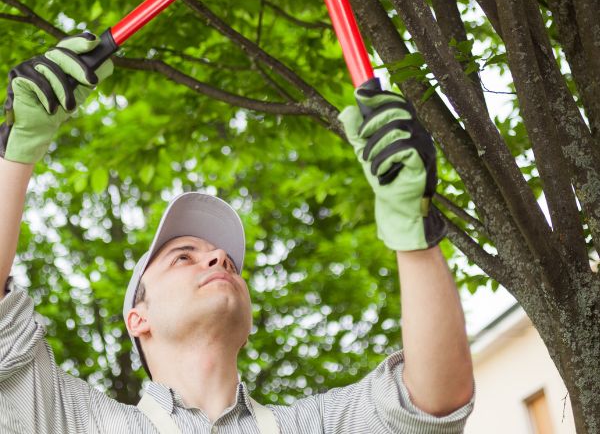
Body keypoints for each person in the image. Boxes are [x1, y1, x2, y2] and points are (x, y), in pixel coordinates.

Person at [0, 33, 474, 433]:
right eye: (183, 256)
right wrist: (17, 154)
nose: (219, 260)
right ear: (137, 319)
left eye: (225, 259)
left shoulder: (312, 426)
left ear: (247, 328)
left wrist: (413, 229)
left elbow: (433, 401)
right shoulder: (79, 422)